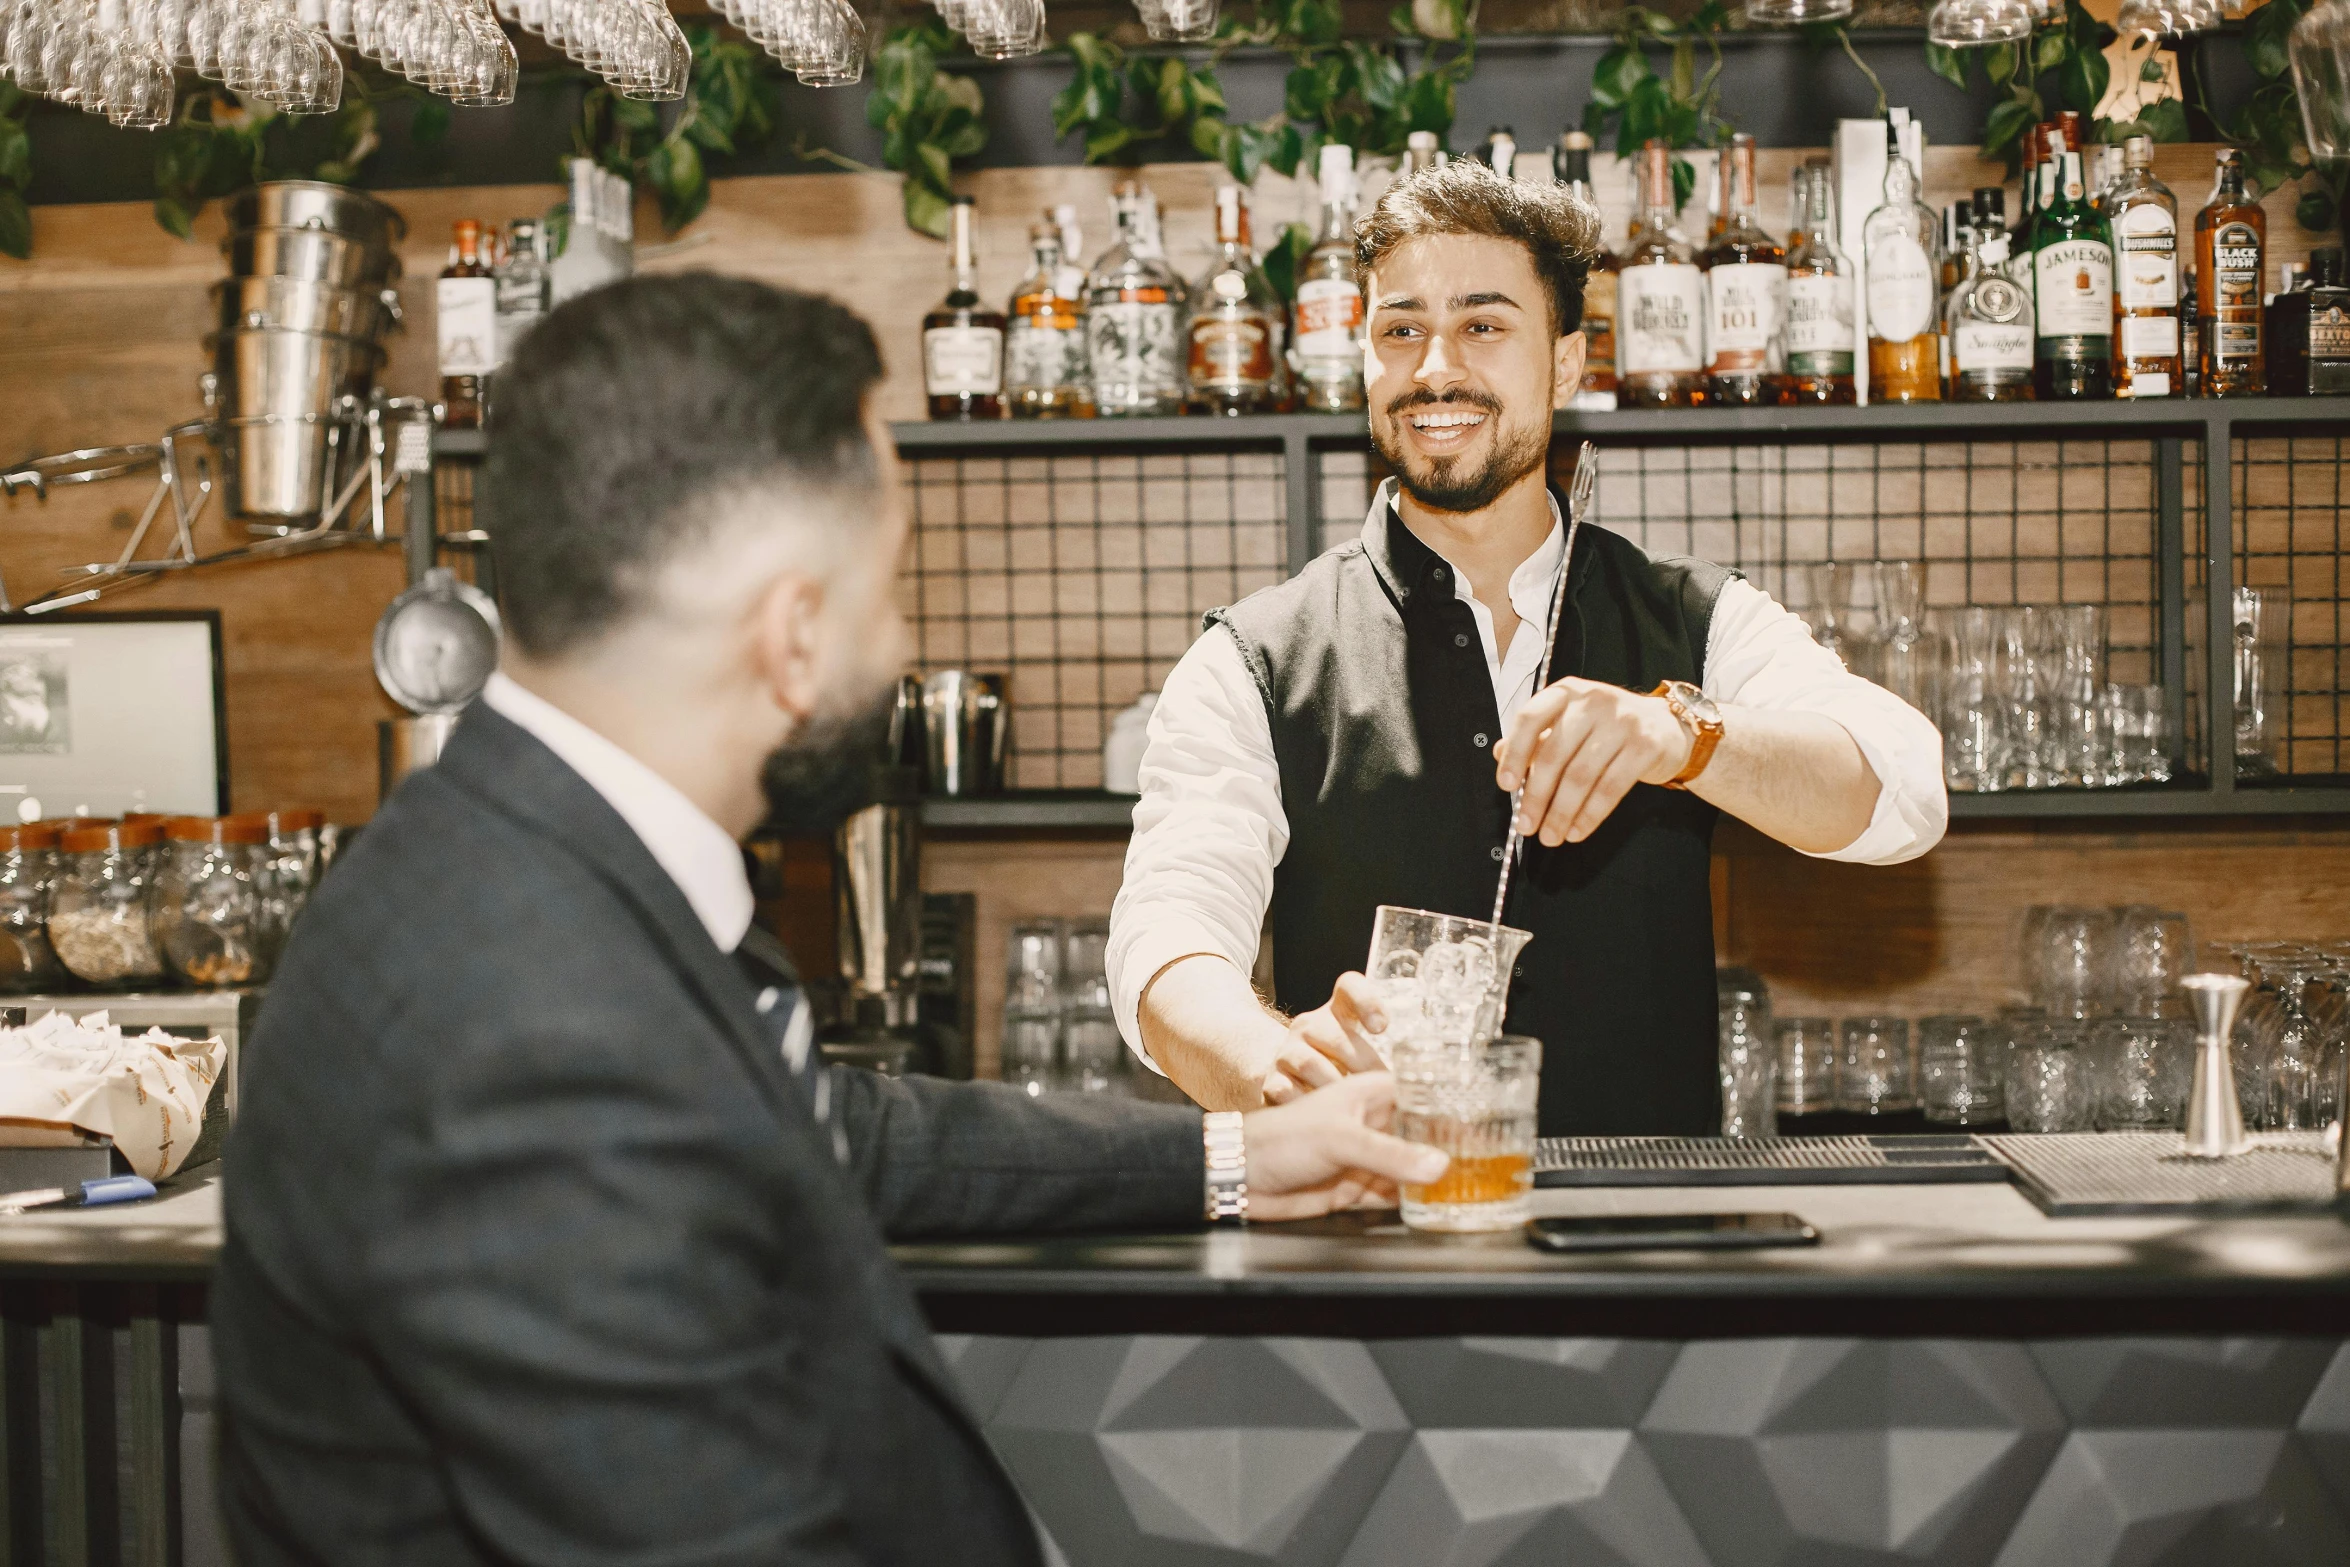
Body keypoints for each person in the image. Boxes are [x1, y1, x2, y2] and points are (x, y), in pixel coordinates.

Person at [210, 276, 1447, 1567]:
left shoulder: (543, 865)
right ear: (795, 635)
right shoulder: (527, 1033)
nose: (901, 641)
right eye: (892, 591)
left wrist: (1243, 1158)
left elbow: (824, 1127)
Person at [1108, 161, 1947, 1135]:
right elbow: (1164, 945)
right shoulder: (1254, 659)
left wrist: (1685, 737)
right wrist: (1278, 1067)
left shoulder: (1699, 618)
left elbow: (1903, 792)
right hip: (1375, 1241)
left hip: (1648, 1244)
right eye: (1401, 330)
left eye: (1482, 324)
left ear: (1564, 363)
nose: (1434, 369)